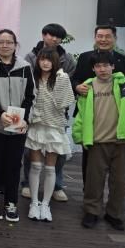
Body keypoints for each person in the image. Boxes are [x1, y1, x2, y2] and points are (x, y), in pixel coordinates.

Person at [74, 52, 125, 230]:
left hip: (121, 143)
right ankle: (91, 212)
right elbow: (81, 114)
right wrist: (79, 135)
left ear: (113, 67)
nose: (102, 69)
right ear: (93, 69)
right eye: (98, 66)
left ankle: (114, 214)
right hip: (97, 142)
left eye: (106, 65)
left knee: (120, 182)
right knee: (94, 181)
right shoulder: (87, 87)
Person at [0, 29, 35, 223]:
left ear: (15, 45)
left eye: (9, 42)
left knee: (13, 165)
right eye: (1, 42)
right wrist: (0, 114)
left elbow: (30, 95)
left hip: (17, 127)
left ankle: (11, 202)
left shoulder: (25, 67)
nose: (5, 45)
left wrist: (24, 118)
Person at [72, 25, 125, 184]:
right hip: (90, 117)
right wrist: (77, 87)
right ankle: (89, 191)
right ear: (95, 38)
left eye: (107, 36)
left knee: (120, 166)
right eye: (100, 36)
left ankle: (121, 193)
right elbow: (75, 78)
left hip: (117, 120)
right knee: (90, 162)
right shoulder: (85, 58)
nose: (103, 39)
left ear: (115, 38)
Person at [21, 23, 77, 202]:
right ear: (43, 35)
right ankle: (27, 183)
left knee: (57, 151)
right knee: (30, 151)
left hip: (57, 112)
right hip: (35, 112)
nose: (54, 39)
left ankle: (56, 186)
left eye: (58, 36)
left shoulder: (67, 59)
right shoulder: (30, 56)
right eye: (50, 35)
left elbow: (70, 84)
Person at [25, 49, 74, 222]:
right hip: (36, 126)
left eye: (49, 60)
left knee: (50, 168)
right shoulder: (33, 78)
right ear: (38, 61)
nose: (45, 63)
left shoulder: (62, 78)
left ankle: (45, 204)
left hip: (54, 127)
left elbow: (63, 103)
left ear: (55, 62)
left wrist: (61, 79)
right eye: (42, 59)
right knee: (35, 166)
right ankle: (34, 203)